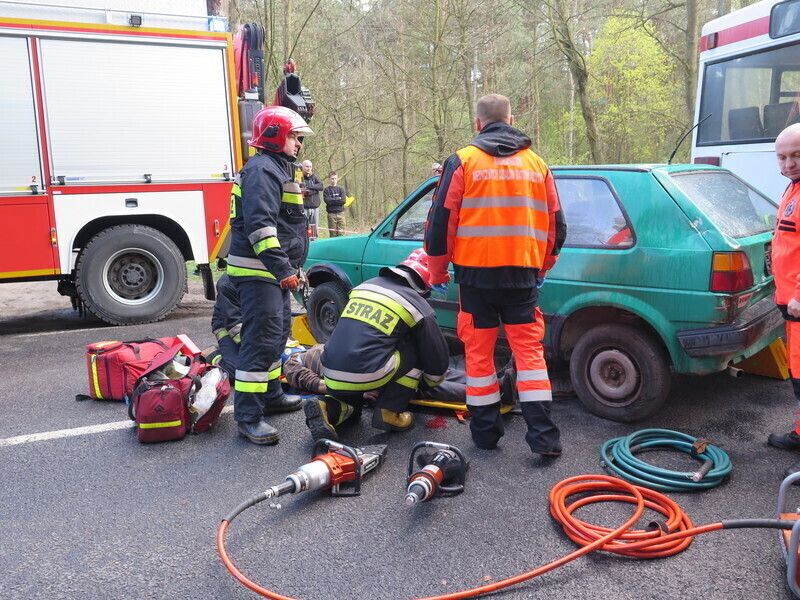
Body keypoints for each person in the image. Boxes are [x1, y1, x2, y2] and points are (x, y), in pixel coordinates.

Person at [424, 93, 567, 457]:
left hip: (476, 279)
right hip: (522, 276)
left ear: (478, 123)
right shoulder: (537, 165)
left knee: (480, 355)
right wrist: (542, 266)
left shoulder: (463, 162)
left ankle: (486, 435)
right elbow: (557, 226)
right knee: (530, 355)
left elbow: (440, 224)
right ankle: (544, 439)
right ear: (512, 119)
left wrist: (438, 270)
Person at [225, 105, 312, 445]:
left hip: (271, 274)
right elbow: (261, 228)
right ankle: (248, 417)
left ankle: (272, 395)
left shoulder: (274, 167)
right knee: (260, 340)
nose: (298, 143)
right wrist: (283, 269)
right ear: (275, 137)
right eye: (292, 136)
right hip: (261, 272)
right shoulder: (263, 170)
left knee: (276, 336)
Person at [304, 249, 450, 440]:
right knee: (415, 347)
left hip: (330, 368)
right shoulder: (418, 305)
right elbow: (435, 357)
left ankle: (327, 407)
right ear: (424, 286)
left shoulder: (365, 286)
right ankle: (389, 412)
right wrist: (428, 383)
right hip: (367, 372)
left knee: (352, 408)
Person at [767, 123, 800, 476]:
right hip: (789, 303)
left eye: (796, 156)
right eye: (782, 157)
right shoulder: (792, 188)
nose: (788, 163)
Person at [300, 160, 324, 238]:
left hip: (315, 207)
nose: (309, 168)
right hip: (304, 207)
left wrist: (309, 187)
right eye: (307, 166)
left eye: (310, 167)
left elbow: (321, 186)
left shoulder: (314, 176)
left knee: (314, 230)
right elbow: (302, 191)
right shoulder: (300, 177)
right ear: (302, 167)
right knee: (304, 229)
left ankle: (314, 243)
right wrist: (314, 189)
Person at [323, 170, 347, 237]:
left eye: (335, 178)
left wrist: (332, 200)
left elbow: (343, 201)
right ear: (329, 179)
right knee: (333, 234)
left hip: (341, 213)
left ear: (337, 179)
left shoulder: (341, 189)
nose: (334, 180)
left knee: (342, 233)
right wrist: (337, 199)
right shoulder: (326, 190)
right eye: (332, 178)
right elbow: (327, 201)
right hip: (331, 214)